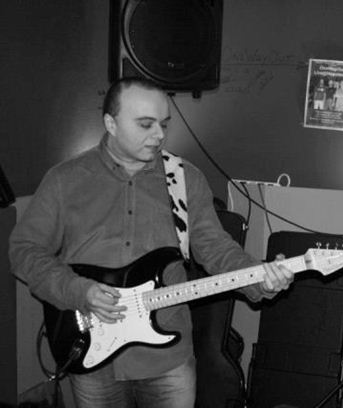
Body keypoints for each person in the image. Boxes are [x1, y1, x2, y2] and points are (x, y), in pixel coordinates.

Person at [9, 77, 295, 408]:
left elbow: (216, 248)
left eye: (164, 124)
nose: (159, 134)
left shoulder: (184, 178)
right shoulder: (64, 180)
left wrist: (259, 278)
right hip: (91, 355)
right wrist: (77, 290)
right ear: (111, 124)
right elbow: (24, 251)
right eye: (146, 124)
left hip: (167, 360)